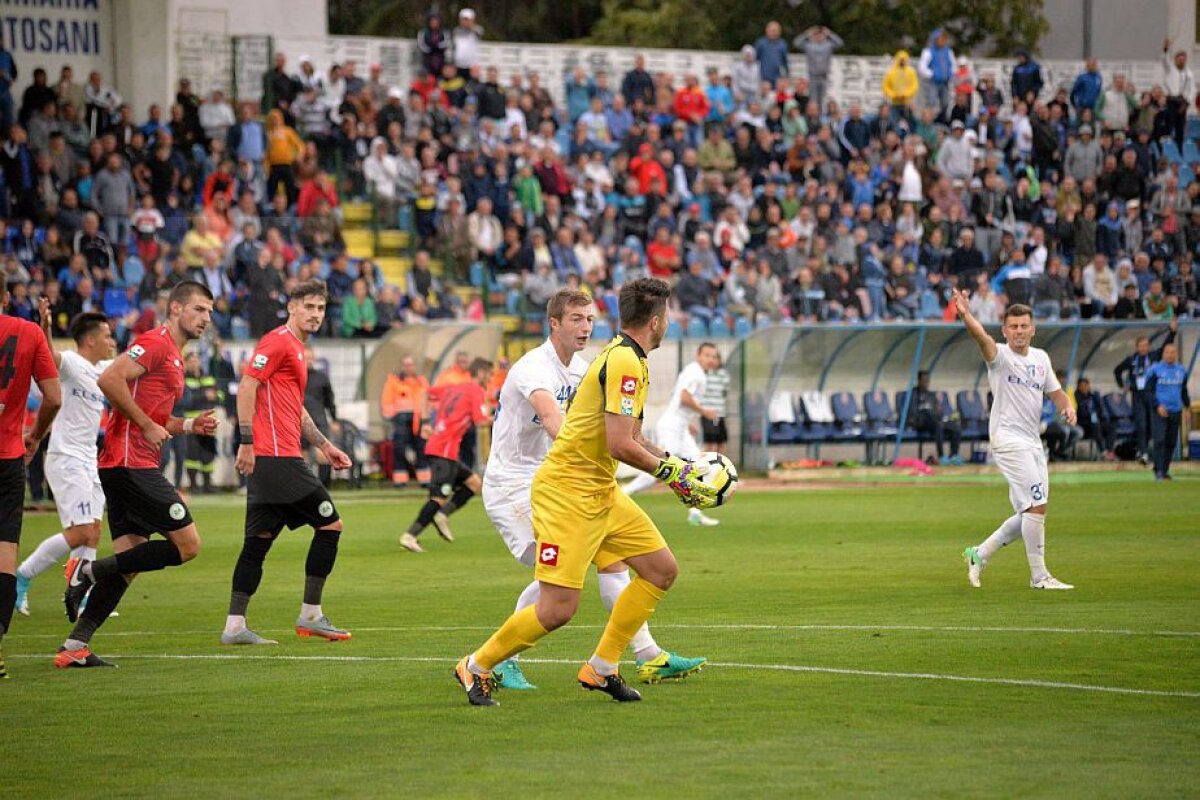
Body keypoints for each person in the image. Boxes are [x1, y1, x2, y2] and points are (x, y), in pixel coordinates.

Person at [452, 278, 719, 706]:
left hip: (599, 489)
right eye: (667, 315)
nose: (585, 326)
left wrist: (680, 466)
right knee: (558, 607)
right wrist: (672, 475)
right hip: (562, 493)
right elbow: (618, 444)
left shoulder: (625, 359)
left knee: (660, 569)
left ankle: (603, 666)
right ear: (656, 321)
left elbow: (632, 435)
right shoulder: (618, 362)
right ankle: (478, 664)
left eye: (589, 318)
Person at [58, 282, 220, 669]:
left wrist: (189, 425)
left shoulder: (175, 355)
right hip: (130, 462)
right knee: (188, 546)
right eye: (199, 309)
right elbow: (109, 379)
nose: (206, 318)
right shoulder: (157, 342)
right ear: (176, 308)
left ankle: (75, 646)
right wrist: (146, 425)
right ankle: (87, 570)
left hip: (125, 463)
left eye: (210, 313)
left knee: (129, 564)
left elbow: (158, 416)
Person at [224, 280, 353, 646]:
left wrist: (325, 445)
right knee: (330, 525)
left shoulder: (296, 348)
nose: (315, 314)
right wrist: (246, 441)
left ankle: (234, 627)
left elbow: (296, 409)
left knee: (258, 541)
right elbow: (247, 385)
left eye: (320, 308)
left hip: (277, 457)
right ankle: (311, 615)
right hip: (276, 457)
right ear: (292, 307)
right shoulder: (278, 341)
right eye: (309, 306)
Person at [955, 294, 1076, 591]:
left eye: (1024, 326)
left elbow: (1056, 393)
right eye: (1013, 326)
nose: (1019, 331)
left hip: (1032, 442)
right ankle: (1039, 577)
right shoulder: (999, 357)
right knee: (1036, 506)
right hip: (1008, 439)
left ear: (1033, 329)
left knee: (1030, 512)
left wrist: (1067, 407)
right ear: (1005, 331)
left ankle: (979, 553)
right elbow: (981, 338)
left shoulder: (1041, 358)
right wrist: (966, 315)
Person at [15, 310, 112, 616]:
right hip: (66, 458)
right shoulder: (72, 362)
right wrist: (45, 325)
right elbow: (48, 355)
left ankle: (79, 594)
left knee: (93, 532)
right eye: (107, 336)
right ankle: (22, 576)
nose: (112, 341)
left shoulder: (103, 370)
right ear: (90, 339)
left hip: (89, 460)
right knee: (81, 532)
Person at [0, 289, 62, 677]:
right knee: (5, 553)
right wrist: (35, 435)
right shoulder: (28, 331)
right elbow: (53, 397)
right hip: (8, 457)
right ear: (6, 296)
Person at [399, 358, 493, 552]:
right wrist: (502, 416)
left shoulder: (454, 387)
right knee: (439, 496)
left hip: (441, 447)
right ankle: (410, 536)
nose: (490, 379)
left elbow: (424, 392)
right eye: (489, 374)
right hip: (444, 450)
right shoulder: (475, 390)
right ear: (481, 373)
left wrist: (425, 422)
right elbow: (480, 421)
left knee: (474, 483)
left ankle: (442, 515)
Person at [623, 341, 720, 523]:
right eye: (707, 355)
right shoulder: (696, 373)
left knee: (698, 466)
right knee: (661, 466)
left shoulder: (696, 373)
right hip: (671, 428)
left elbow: (678, 397)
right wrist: (704, 412)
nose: (710, 359)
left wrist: (688, 423)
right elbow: (684, 397)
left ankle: (695, 514)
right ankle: (623, 493)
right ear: (698, 356)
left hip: (680, 428)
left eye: (713, 356)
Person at [1113, 319, 1177, 463]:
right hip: (1137, 395)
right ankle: (1143, 452)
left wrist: (1172, 332)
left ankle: (1154, 452)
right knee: (1141, 424)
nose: (1144, 348)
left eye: (1146, 345)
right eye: (1141, 346)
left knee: (1153, 423)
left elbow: (1165, 346)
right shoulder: (1131, 360)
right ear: (1137, 347)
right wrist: (1122, 385)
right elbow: (1117, 370)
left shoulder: (1153, 356)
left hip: (1151, 394)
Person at [381, 355, 430, 487]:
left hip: (419, 419)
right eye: (406, 365)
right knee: (400, 449)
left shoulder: (421, 381)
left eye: (411, 364)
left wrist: (427, 418)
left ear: (414, 366)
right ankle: (400, 479)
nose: (408, 367)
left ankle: (425, 479)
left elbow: (428, 399)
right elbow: (387, 401)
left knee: (422, 449)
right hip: (401, 419)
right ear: (402, 366)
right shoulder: (394, 381)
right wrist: (393, 417)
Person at [1144, 343, 1191, 481]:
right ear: (1163, 354)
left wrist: (1187, 407)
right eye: (1167, 352)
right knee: (1159, 440)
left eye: (1172, 352)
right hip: (1160, 411)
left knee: (1171, 442)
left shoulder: (1181, 370)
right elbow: (1147, 391)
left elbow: (1183, 391)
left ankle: (1164, 471)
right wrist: (1157, 405)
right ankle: (1158, 471)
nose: (1170, 355)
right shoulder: (1155, 370)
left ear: (1176, 354)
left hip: (1176, 410)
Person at [182, 352, 222, 492]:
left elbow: (220, 395)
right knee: (192, 455)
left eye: (196, 361)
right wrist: (205, 395)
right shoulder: (183, 379)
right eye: (191, 361)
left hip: (209, 424)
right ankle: (193, 485)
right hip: (192, 424)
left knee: (208, 455)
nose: (194, 363)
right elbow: (186, 400)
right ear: (186, 363)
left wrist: (215, 396)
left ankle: (207, 485)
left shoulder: (208, 378)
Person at [909, 371, 963, 465]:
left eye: (928, 380)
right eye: (924, 380)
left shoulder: (931, 395)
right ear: (919, 381)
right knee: (938, 425)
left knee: (956, 427)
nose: (926, 383)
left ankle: (954, 455)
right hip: (922, 423)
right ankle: (941, 456)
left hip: (935, 421)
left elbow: (938, 409)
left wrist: (940, 414)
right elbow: (913, 412)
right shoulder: (913, 394)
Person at [303, 347, 339, 487]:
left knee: (323, 454)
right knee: (302, 456)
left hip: (318, 420)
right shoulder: (292, 376)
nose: (307, 361)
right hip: (298, 422)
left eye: (309, 357)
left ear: (314, 359)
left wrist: (334, 419)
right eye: (304, 358)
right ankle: (304, 487)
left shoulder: (321, 378)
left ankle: (324, 486)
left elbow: (330, 401)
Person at [794, 26, 841, 111]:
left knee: (822, 100)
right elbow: (796, 43)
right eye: (816, 34)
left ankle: (820, 116)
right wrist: (807, 34)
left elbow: (840, 43)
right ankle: (813, 116)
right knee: (813, 100)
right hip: (813, 77)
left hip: (824, 76)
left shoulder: (828, 45)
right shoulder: (809, 45)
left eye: (821, 34)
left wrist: (829, 33)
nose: (819, 36)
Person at [1163, 38, 1195, 149]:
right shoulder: (1170, 69)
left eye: (1183, 59)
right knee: (1169, 125)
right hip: (1171, 100)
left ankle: (1179, 148)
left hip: (1182, 102)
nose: (1181, 61)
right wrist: (1166, 49)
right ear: (1175, 59)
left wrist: (1187, 103)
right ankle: (1167, 148)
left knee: (1180, 128)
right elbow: (1164, 60)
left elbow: (1192, 90)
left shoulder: (1188, 73)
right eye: (1179, 59)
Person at [1074, 377, 1116, 461]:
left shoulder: (1093, 395)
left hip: (1096, 421)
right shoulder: (1076, 396)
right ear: (1078, 387)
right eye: (1082, 386)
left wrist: (1097, 399)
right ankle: (1103, 451)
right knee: (1095, 424)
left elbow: (1100, 410)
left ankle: (1110, 450)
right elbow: (1081, 412)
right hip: (1083, 423)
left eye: (1086, 385)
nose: (1084, 388)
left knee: (1111, 425)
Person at [700, 351, 731, 455]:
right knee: (710, 444)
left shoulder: (724, 375)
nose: (713, 360)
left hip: (720, 414)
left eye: (716, 358)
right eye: (710, 357)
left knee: (720, 444)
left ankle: (718, 464)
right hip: (708, 414)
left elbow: (725, 392)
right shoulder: (704, 374)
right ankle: (697, 463)